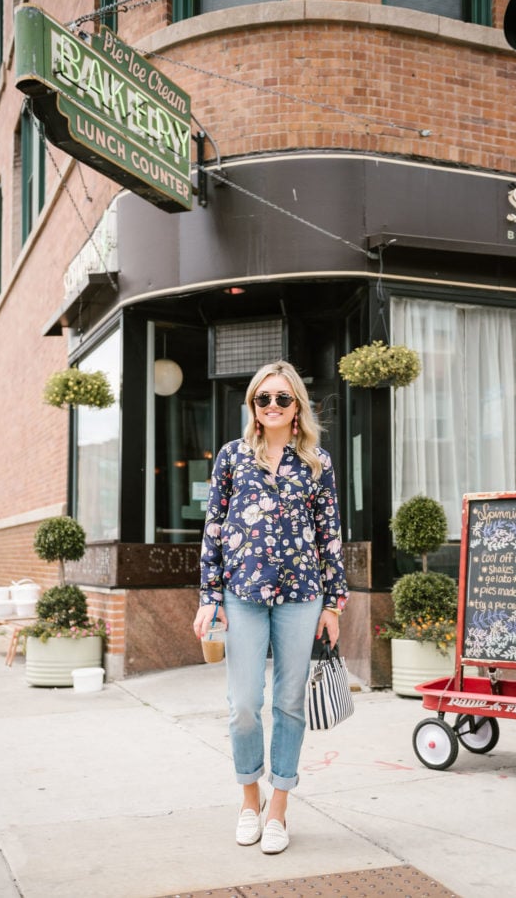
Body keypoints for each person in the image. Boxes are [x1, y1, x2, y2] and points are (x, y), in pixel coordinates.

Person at [193, 360, 349, 854]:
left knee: (289, 703)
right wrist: (210, 596)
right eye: (265, 398)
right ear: (253, 406)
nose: (274, 405)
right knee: (243, 704)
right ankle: (249, 799)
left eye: (283, 397)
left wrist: (333, 605)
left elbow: (330, 535)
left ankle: (278, 806)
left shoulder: (317, 462)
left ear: (297, 405)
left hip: (303, 596)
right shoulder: (232, 457)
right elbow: (214, 528)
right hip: (242, 594)